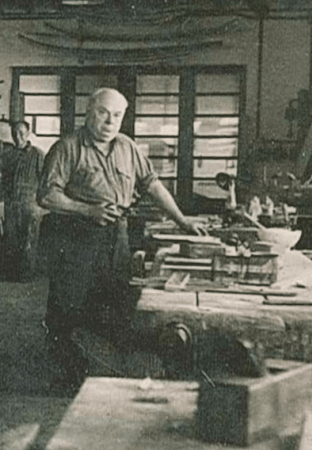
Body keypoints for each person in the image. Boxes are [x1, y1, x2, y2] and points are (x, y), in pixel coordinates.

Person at [36, 88, 205, 392]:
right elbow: (47, 196)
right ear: (89, 111)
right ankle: (66, 378)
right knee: (67, 308)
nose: (110, 121)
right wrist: (88, 210)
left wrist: (182, 221)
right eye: (103, 113)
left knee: (116, 304)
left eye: (117, 115)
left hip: (117, 236)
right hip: (76, 238)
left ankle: (104, 375)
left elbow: (152, 185)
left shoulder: (127, 147)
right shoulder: (67, 147)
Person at [0, 121, 45, 282]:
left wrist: (40, 203)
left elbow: (45, 180)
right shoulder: (8, 156)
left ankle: (26, 275)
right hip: (12, 204)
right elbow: (4, 180)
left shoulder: (38, 155)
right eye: (14, 133)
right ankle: (12, 273)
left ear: (28, 133)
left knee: (29, 240)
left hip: (30, 204)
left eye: (21, 133)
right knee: (12, 239)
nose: (17, 137)